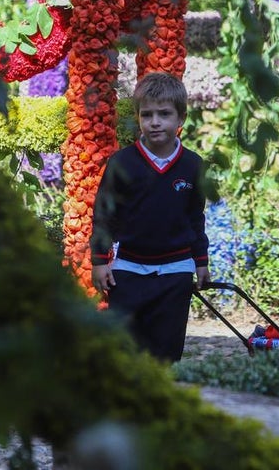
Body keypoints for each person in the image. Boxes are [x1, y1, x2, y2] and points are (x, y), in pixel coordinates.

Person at [90, 71, 211, 363]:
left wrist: (201, 262)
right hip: (128, 270)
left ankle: (159, 404)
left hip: (176, 272)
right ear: (138, 118)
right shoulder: (122, 163)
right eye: (147, 115)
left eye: (164, 114)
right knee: (125, 350)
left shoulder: (194, 166)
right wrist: (98, 262)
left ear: (180, 119)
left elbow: (196, 217)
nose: (155, 122)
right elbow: (105, 215)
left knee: (166, 352)